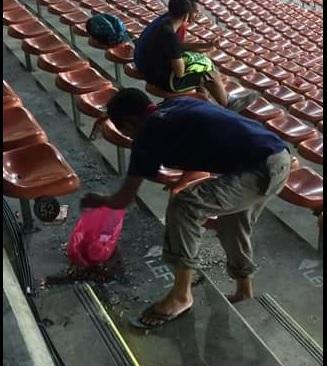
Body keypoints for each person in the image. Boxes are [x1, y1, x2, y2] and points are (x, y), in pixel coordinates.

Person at [81, 88, 291, 328]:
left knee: (185, 206)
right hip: (274, 158)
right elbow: (206, 143)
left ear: (130, 122)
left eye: (125, 131)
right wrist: (183, 180)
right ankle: (244, 291)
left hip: (260, 168)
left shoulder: (150, 129)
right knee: (232, 224)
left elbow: (124, 197)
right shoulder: (174, 107)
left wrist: (98, 204)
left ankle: (181, 295)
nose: (129, 137)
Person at [134, 0, 256, 111]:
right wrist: (189, 63)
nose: (198, 14)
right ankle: (228, 103)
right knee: (206, 72)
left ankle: (205, 103)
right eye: (196, 11)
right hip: (158, 77)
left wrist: (204, 46)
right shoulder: (169, 34)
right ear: (186, 15)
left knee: (199, 63)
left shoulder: (164, 22)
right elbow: (179, 72)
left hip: (146, 65)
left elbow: (175, 48)